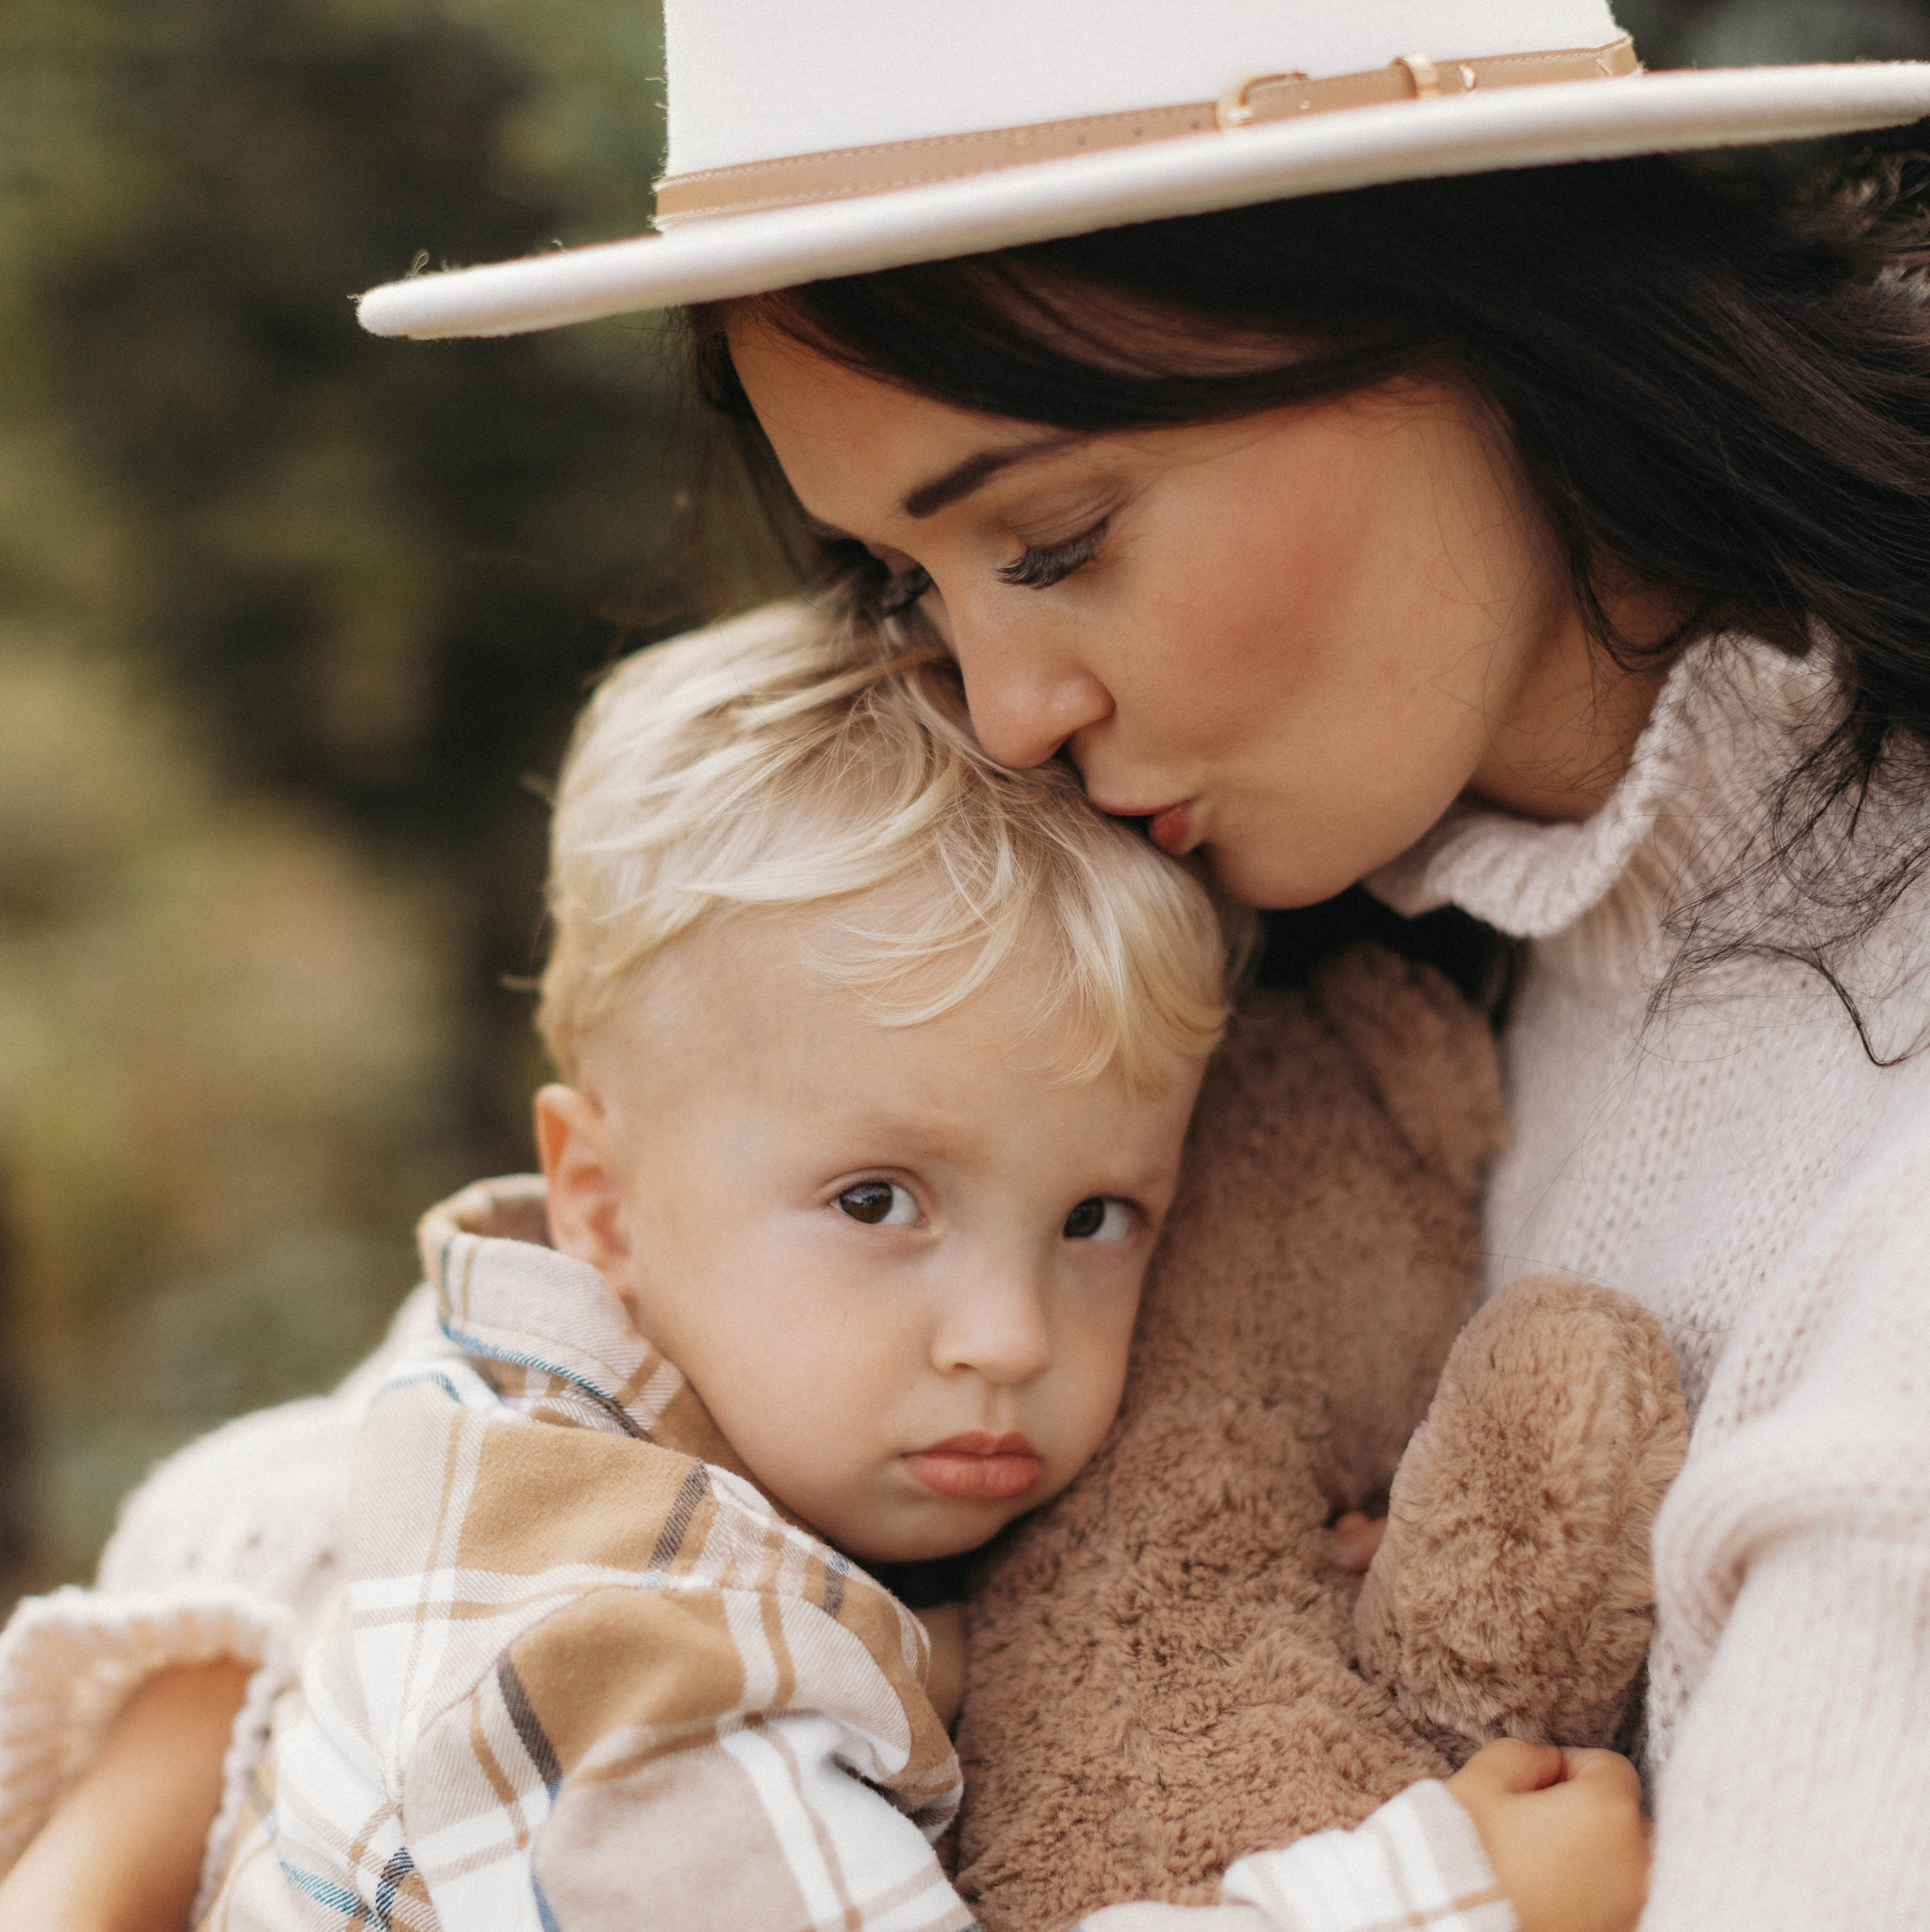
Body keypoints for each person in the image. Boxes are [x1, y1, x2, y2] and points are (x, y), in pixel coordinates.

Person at [5, 2, 1930, 1927]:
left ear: (1477, 300)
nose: (1002, 715)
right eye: (904, 581)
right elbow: (494, 1410)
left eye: (1057, 540)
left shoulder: (1872, 1232)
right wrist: (164, 1795)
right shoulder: (1237, 866)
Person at [160, 601, 1633, 1932]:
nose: (1008, 1337)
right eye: (876, 1202)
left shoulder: (586, 1414)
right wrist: (1446, 1898)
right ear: (600, 1203)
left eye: (1094, 1218)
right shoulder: (620, 1651)